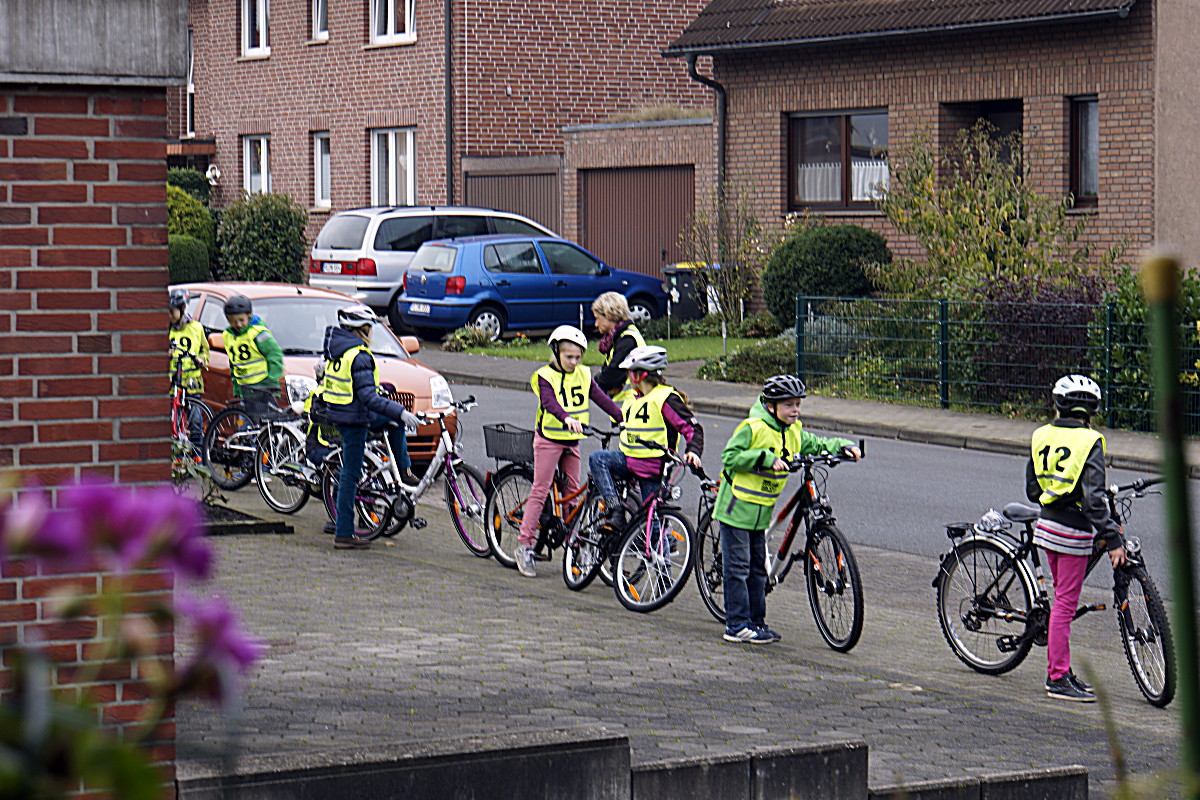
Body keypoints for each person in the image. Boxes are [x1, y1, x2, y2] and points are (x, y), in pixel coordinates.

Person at [714, 375, 859, 644]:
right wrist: (766, 458)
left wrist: (842, 446)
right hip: (735, 508)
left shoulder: (792, 431)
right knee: (738, 568)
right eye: (789, 405)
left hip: (760, 513)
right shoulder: (753, 427)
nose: (796, 410)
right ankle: (735, 625)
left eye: (798, 404)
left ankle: (756, 623)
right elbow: (730, 457)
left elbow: (816, 443)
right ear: (771, 406)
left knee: (758, 568)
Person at [1027, 374, 1124, 703]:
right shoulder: (1090, 441)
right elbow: (1095, 501)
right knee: (1064, 607)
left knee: (1060, 601)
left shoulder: (1041, 435)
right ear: (1092, 409)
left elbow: (1032, 490)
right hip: (1071, 533)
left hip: (1047, 527)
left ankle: (1062, 670)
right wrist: (1112, 539)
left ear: (1059, 404)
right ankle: (1056, 678)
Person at [514, 325, 623, 578]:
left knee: (573, 494)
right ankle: (524, 545)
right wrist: (565, 418)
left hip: (572, 440)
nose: (574, 362)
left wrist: (621, 417)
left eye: (578, 357)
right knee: (541, 490)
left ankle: (574, 545)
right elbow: (549, 402)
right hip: (549, 439)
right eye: (568, 357)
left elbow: (601, 398)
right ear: (556, 353)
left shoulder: (584, 375)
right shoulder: (544, 376)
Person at [322, 306, 420, 550]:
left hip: (342, 413)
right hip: (355, 419)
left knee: (393, 425)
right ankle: (343, 533)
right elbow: (367, 396)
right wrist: (400, 410)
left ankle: (403, 469)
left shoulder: (338, 350)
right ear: (363, 330)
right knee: (350, 476)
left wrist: (389, 403)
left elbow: (355, 385)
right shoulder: (359, 354)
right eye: (370, 329)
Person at [589, 345, 703, 530]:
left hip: (654, 468)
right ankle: (615, 510)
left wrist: (693, 451)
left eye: (630, 373)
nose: (628, 377)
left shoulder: (666, 397)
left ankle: (661, 558)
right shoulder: (635, 398)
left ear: (638, 375)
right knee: (598, 459)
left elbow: (692, 428)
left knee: (654, 525)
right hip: (629, 461)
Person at [221, 294, 284, 418]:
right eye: (233, 321)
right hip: (245, 387)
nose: (238, 324)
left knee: (267, 421)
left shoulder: (258, 333)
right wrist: (236, 386)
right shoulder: (228, 336)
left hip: (263, 386)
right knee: (246, 422)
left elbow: (275, 355)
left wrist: (272, 381)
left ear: (249, 316)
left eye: (241, 320)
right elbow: (234, 362)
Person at [168, 288, 209, 445]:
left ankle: (198, 457)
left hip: (192, 384)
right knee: (173, 423)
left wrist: (202, 359)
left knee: (196, 423)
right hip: (173, 385)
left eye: (172, 312)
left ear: (183, 309)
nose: (169, 316)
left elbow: (205, 351)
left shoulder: (196, 328)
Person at [592, 292, 646, 403]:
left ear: (609, 315)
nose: (596, 324)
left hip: (632, 405)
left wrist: (599, 380)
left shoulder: (627, 340)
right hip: (625, 405)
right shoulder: (619, 337)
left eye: (598, 318)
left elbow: (610, 377)